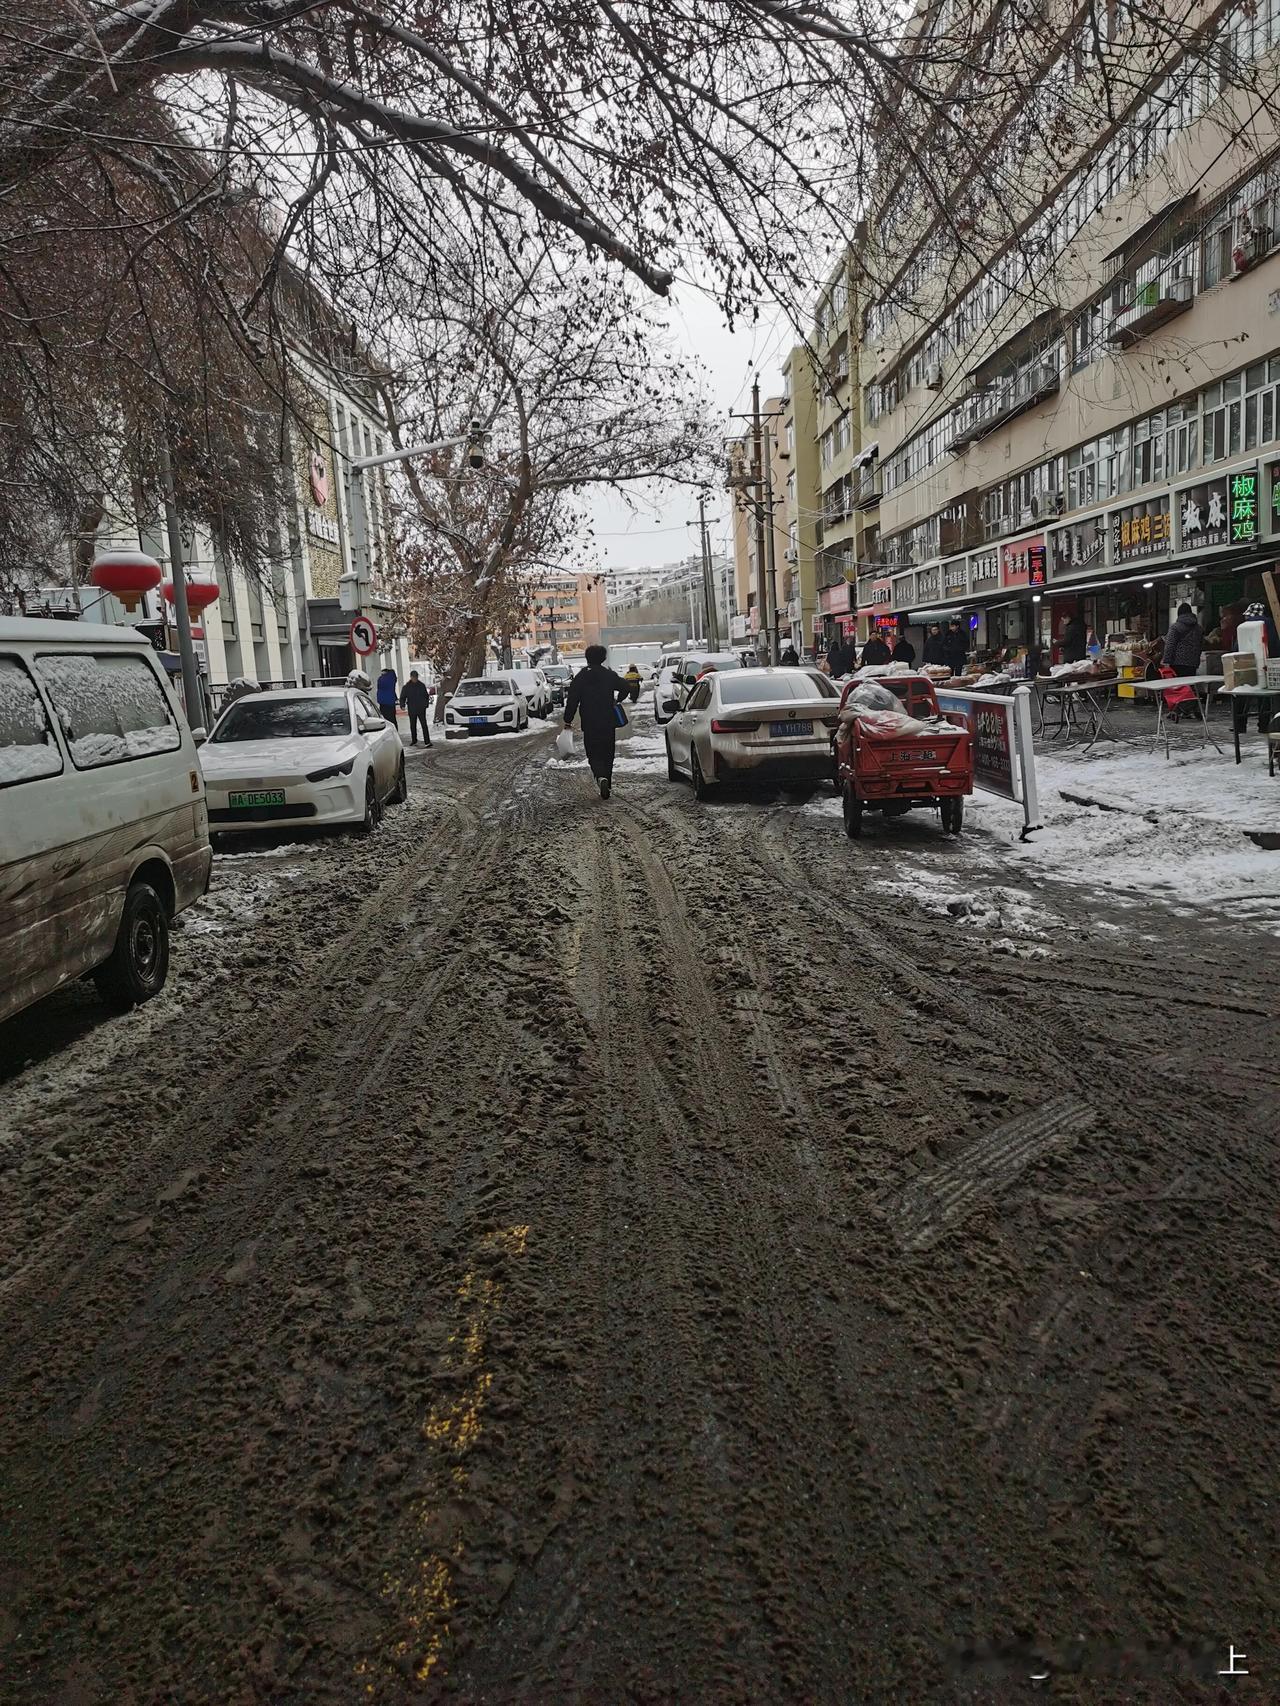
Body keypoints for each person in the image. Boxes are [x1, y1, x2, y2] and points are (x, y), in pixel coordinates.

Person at [564, 644, 627, 799]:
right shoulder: (609, 675)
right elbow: (625, 686)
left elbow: (572, 700)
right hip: (608, 721)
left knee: (593, 752)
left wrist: (568, 719)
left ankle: (600, 777)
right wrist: (618, 700)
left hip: (590, 722)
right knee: (608, 753)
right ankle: (607, 783)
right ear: (603, 658)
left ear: (587, 658)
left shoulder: (581, 677)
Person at [1163, 602, 1204, 675]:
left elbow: (1170, 645)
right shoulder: (1199, 629)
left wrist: (1166, 661)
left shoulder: (1175, 627)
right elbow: (1201, 646)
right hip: (1193, 664)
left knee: (1179, 685)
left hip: (1177, 664)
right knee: (1190, 685)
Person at [400, 670, 432, 746]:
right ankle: (414, 740)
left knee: (424, 725)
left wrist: (425, 704)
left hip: (421, 708)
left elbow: (426, 696)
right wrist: (402, 705)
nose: (415, 678)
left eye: (416, 677)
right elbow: (402, 697)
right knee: (413, 725)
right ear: (411, 677)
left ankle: (427, 741)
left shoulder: (421, 685)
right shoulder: (407, 687)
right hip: (412, 708)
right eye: (413, 677)